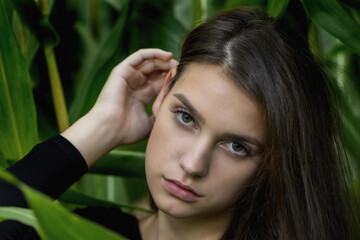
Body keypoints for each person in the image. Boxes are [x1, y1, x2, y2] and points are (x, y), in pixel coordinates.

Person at [0, 6, 357, 240]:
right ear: (163, 92)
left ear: (274, 163)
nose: (192, 164)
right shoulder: (91, 232)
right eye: (186, 118)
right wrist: (102, 125)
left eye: (237, 146)